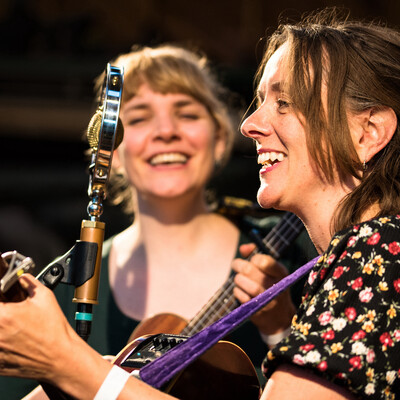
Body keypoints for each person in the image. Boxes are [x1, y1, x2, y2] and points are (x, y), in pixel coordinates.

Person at [3, 7, 398, 399]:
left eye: (285, 102)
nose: (250, 124)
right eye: (140, 118)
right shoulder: (360, 254)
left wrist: (70, 363)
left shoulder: (378, 252)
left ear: (369, 132)